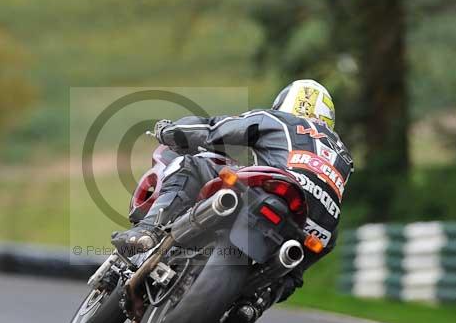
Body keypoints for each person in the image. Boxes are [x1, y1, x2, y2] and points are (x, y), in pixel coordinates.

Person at [112, 79, 353, 309]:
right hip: (319, 225)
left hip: (278, 188)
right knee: (296, 270)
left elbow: (213, 129)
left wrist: (169, 131)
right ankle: (256, 304)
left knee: (192, 165)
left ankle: (148, 231)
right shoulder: (344, 156)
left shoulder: (279, 120)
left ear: (285, 103)